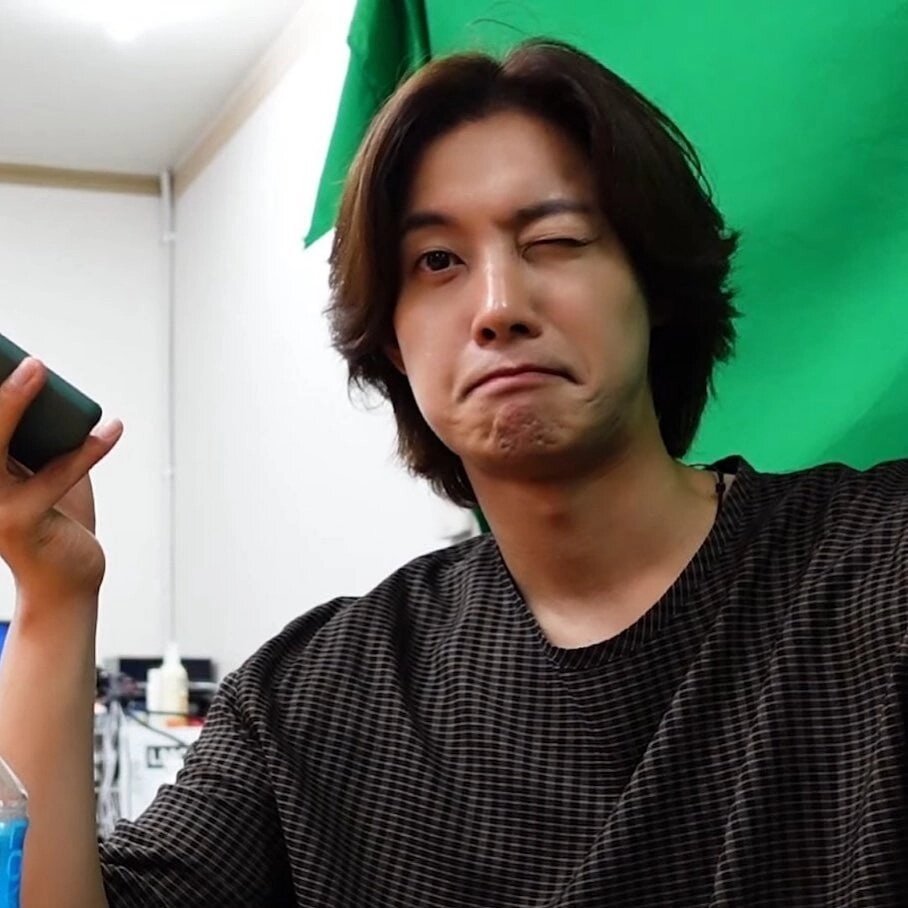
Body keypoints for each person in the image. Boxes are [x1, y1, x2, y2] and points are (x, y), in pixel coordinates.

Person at [0, 37, 905, 908]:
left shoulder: (878, 574)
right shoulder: (311, 702)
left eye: (555, 238)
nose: (499, 307)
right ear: (392, 341)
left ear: (655, 286)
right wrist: (54, 593)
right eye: (438, 262)